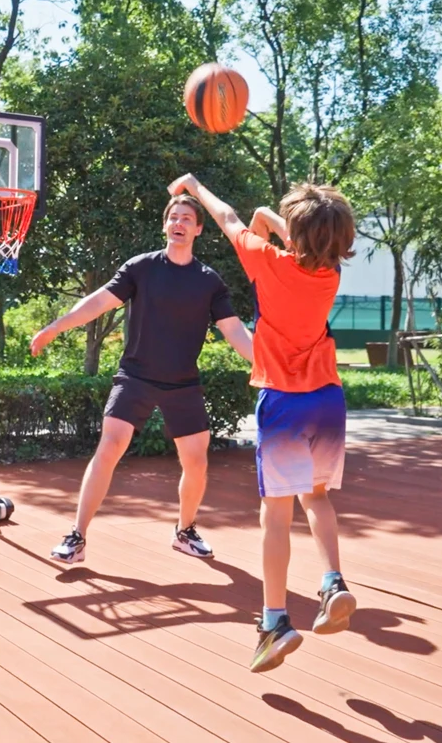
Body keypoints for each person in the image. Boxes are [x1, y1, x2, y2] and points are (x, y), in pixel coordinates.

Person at [167, 173, 357, 673]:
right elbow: (293, 237)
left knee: (275, 514)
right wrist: (274, 220)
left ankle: (275, 621)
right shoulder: (330, 274)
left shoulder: (267, 261)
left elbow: (228, 216)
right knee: (316, 497)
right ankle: (333, 581)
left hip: (285, 403)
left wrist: (194, 186)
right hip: (328, 400)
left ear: (294, 232)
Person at [30, 193, 253, 564]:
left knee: (196, 462)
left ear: (198, 229)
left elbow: (234, 331)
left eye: (187, 219)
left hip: (183, 382)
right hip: (135, 376)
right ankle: (77, 537)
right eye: (173, 217)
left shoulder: (209, 282)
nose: (179, 223)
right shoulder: (141, 267)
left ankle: (185, 531)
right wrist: (56, 327)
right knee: (110, 446)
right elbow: (99, 301)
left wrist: (269, 362)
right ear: (165, 225)